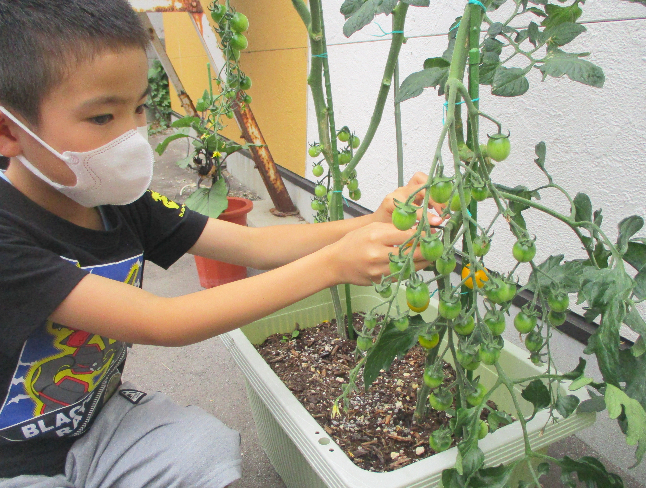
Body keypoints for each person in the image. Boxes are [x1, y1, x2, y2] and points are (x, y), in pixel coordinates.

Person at [0, 1, 443, 486]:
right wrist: (333, 265)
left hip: (95, 424)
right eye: (104, 117)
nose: (133, 137)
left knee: (203, 450)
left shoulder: (119, 202)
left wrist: (368, 223)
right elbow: (165, 321)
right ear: (8, 131)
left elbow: (255, 247)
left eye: (140, 107)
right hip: (12, 461)